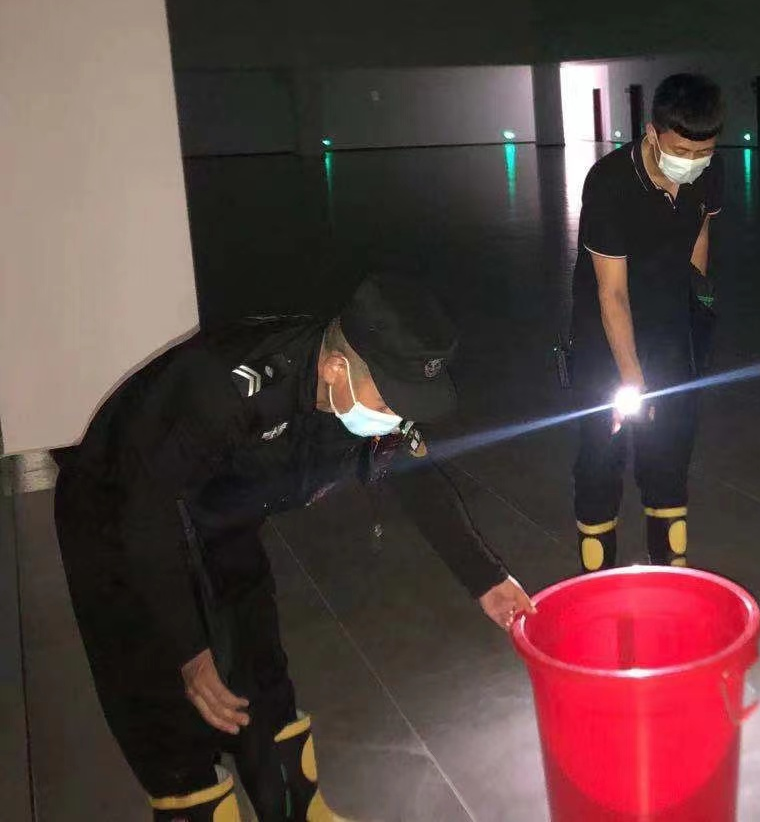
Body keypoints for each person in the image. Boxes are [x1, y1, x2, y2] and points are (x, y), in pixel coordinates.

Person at [53, 274, 534, 822]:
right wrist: (190, 650)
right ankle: (193, 796)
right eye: (390, 400)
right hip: (116, 510)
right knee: (169, 699)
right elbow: (147, 513)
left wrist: (486, 578)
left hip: (220, 508)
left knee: (257, 670)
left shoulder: (359, 399)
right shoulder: (225, 388)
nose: (399, 418)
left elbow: (416, 479)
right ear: (335, 369)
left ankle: (299, 811)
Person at [567, 73, 725, 572]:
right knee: (601, 456)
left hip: (669, 331)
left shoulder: (708, 171)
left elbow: (700, 234)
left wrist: (698, 305)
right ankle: (598, 578)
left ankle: (670, 570)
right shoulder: (611, 182)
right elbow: (611, 294)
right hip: (604, 337)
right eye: (682, 150)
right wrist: (633, 382)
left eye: (703, 152)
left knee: (669, 455)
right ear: (653, 133)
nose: (692, 162)